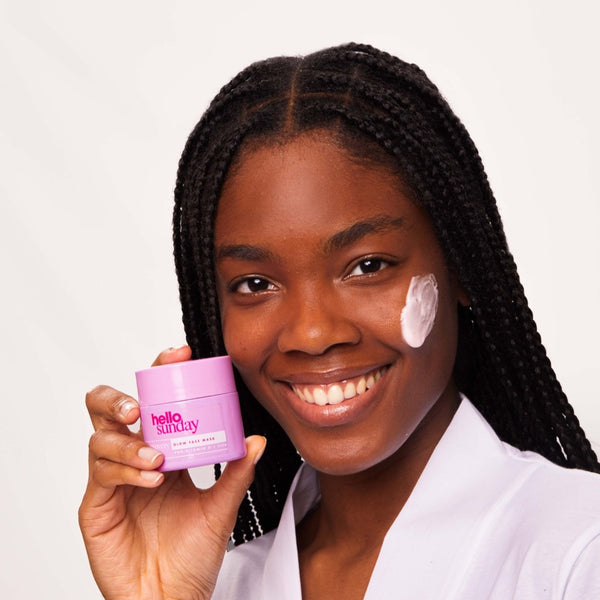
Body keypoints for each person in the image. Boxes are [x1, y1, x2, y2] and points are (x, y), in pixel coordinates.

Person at [79, 43, 600, 599]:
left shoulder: (576, 549)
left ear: (461, 268)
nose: (311, 333)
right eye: (256, 284)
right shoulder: (223, 582)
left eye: (367, 266)